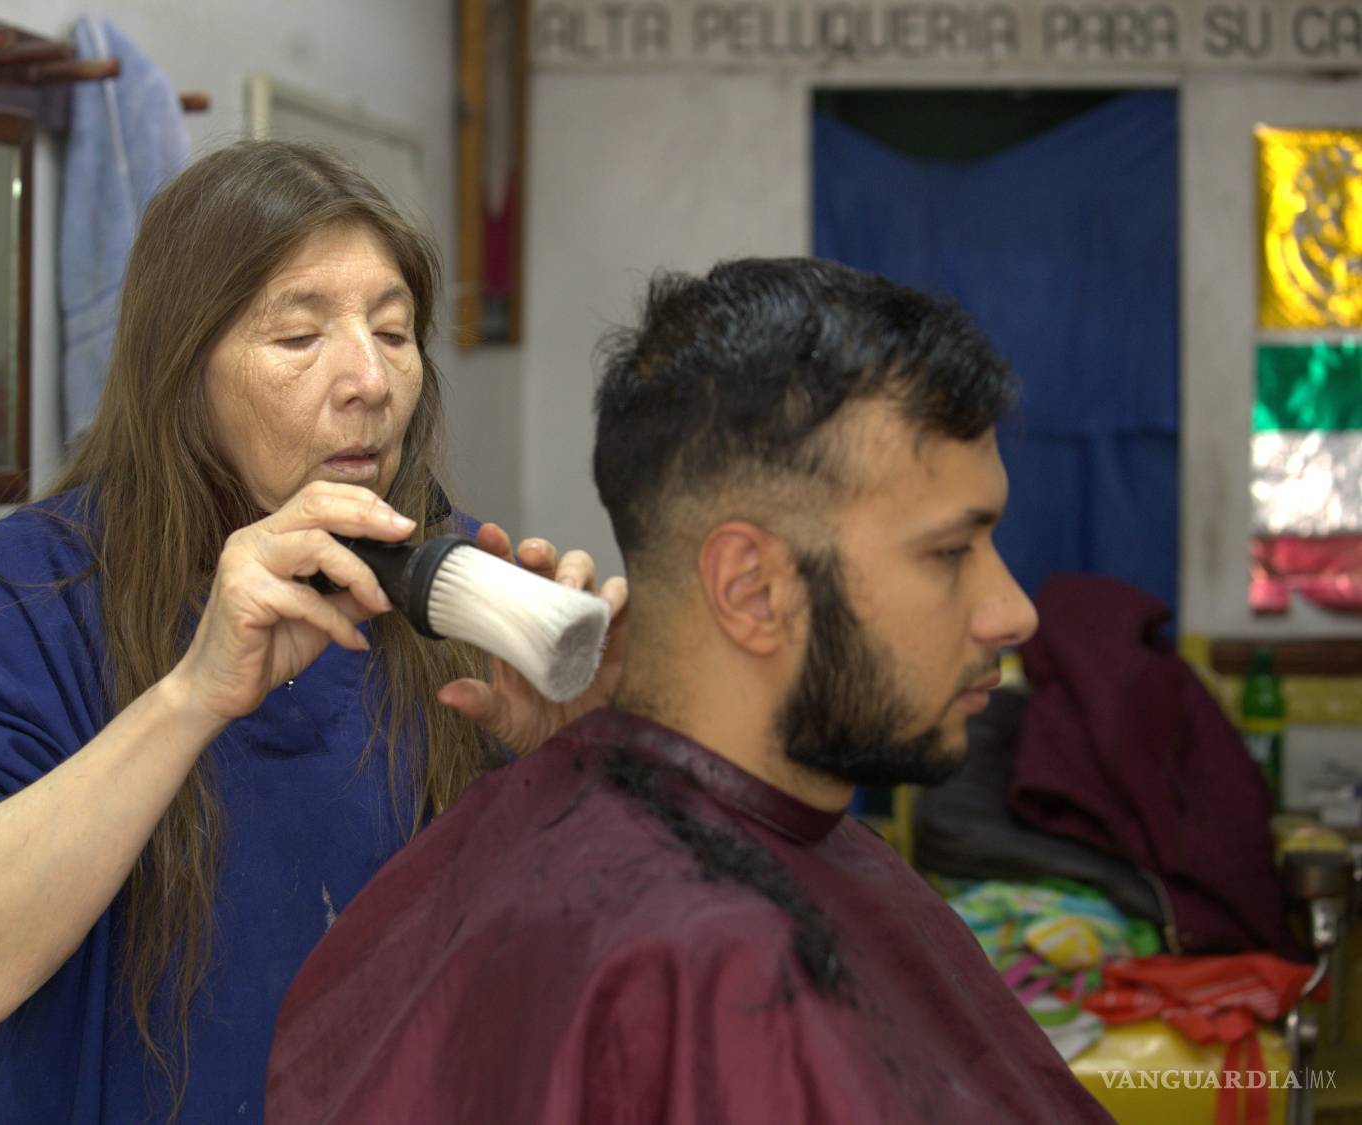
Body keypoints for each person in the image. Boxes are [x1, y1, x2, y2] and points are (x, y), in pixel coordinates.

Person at [0, 140, 625, 1123]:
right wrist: (191, 695)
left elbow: (579, 985)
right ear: (181, 374)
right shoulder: (24, 595)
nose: (368, 381)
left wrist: (584, 768)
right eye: (298, 339)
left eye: (393, 332)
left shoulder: (459, 585)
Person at [266, 257, 1114, 1123]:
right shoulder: (702, 967)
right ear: (752, 589)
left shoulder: (742, 864)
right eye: (949, 552)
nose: (1014, 614)